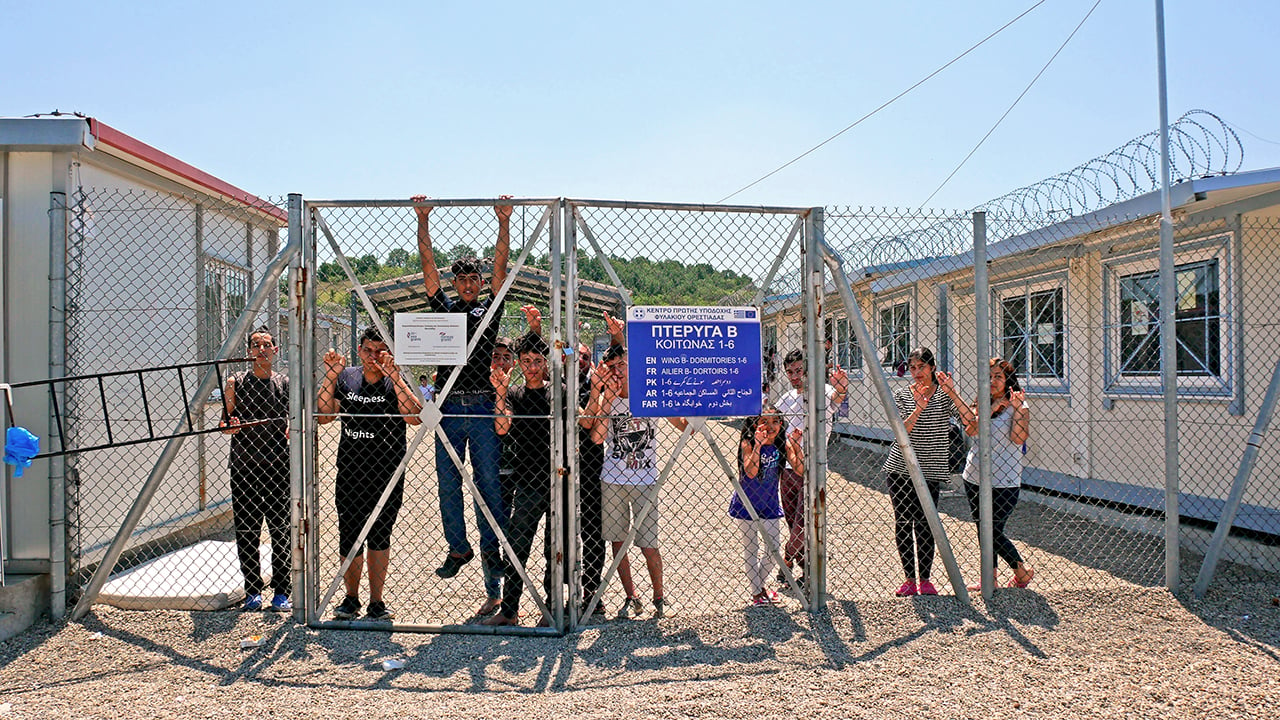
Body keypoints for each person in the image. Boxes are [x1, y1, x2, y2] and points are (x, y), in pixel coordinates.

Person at [413, 195, 512, 590]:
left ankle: (494, 551)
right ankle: (458, 547)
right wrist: (423, 220)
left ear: (481, 284)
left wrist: (503, 222)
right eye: (463, 280)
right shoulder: (445, 310)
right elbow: (428, 272)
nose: (469, 285)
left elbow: (503, 271)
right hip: (450, 405)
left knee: (487, 482)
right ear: (456, 284)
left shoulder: (487, 310)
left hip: (484, 402)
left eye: (475, 280)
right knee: (447, 480)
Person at [482, 332, 591, 626]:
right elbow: (502, 428)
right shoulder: (515, 394)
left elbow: (581, 420)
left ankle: (553, 606)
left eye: (537, 361)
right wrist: (501, 392)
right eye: (526, 361)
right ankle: (510, 609)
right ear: (519, 363)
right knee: (517, 544)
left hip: (560, 479)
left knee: (556, 547)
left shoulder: (559, 390)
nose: (532, 366)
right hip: (528, 480)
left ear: (545, 363)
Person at [318, 327, 423, 620]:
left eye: (380, 351)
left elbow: (414, 417)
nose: (374, 357)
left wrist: (395, 378)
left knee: (380, 535)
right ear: (359, 350)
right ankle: (351, 598)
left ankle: (377, 601)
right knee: (350, 535)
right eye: (368, 350)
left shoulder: (395, 378)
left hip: (387, 472)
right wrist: (330, 376)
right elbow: (324, 415)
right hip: (351, 470)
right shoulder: (347, 377)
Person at [588, 344, 687, 619]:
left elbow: (682, 424)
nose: (618, 372)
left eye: (622, 366)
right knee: (617, 542)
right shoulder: (606, 400)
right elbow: (597, 438)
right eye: (612, 368)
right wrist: (606, 400)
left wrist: (690, 403)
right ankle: (631, 595)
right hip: (613, 478)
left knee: (648, 543)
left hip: (645, 479)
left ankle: (659, 596)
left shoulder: (649, 396)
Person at [882, 347, 975, 597]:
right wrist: (919, 407)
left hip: (931, 469)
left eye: (921, 367)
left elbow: (970, 420)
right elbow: (901, 431)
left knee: (927, 523)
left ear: (932, 367)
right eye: (912, 368)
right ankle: (909, 579)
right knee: (903, 521)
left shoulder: (944, 395)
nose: (916, 373)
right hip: (901, 468)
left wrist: (952, 392)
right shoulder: (903, 395)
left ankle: (925, 579)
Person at [219, 327, 292, 612]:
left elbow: (292, 418)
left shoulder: (284, 383)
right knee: (248, 528)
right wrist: (231, 425)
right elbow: (227, 424)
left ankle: (282, 590)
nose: (261, 350)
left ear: (275, 350)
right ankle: (253, 590)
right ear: (249, 351)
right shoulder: (236, 382)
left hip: (277, 465)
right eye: (255, 345)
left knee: (280, 528)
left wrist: (289, 428)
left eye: (266, 345)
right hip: (244, 465)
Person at [773, 348, 848, 581]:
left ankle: (786, 561)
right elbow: (771, 421)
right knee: (792, 519)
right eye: (790, 372)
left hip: (813, 470)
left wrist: (842, 386)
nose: (795, 376)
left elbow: (838, 398)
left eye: (799, 370)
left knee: (803, 523)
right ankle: (806, 571)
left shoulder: (822, 392)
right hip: (788, 469)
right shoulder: (786, 400)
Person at [962, 357, 1035, 589]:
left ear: (1008, 380)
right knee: (983, 530)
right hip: (975, 476)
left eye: (999, 377)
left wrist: (1017, 409)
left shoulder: (1020, 406)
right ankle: (989, 579)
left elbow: (1018, 438)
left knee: (992, 530)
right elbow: (970, 430)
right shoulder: (980, 403)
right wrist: (991, 409)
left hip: (1006, 480)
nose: (993, 381)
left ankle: (1021, 570)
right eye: (989, 376)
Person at [732, 406, 803, 606]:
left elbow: (800, 470)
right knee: (751, 549)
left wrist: (796, 447)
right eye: (765, 421)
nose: (770, 426)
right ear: (756, 423)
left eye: (775, 421)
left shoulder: (782, 444)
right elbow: (751, 472)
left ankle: (759, 587)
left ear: (781, 424)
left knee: (773, 552)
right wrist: (758, 446)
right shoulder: (748, 442)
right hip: (747, 503)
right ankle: (757, 594)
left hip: (770, 504)